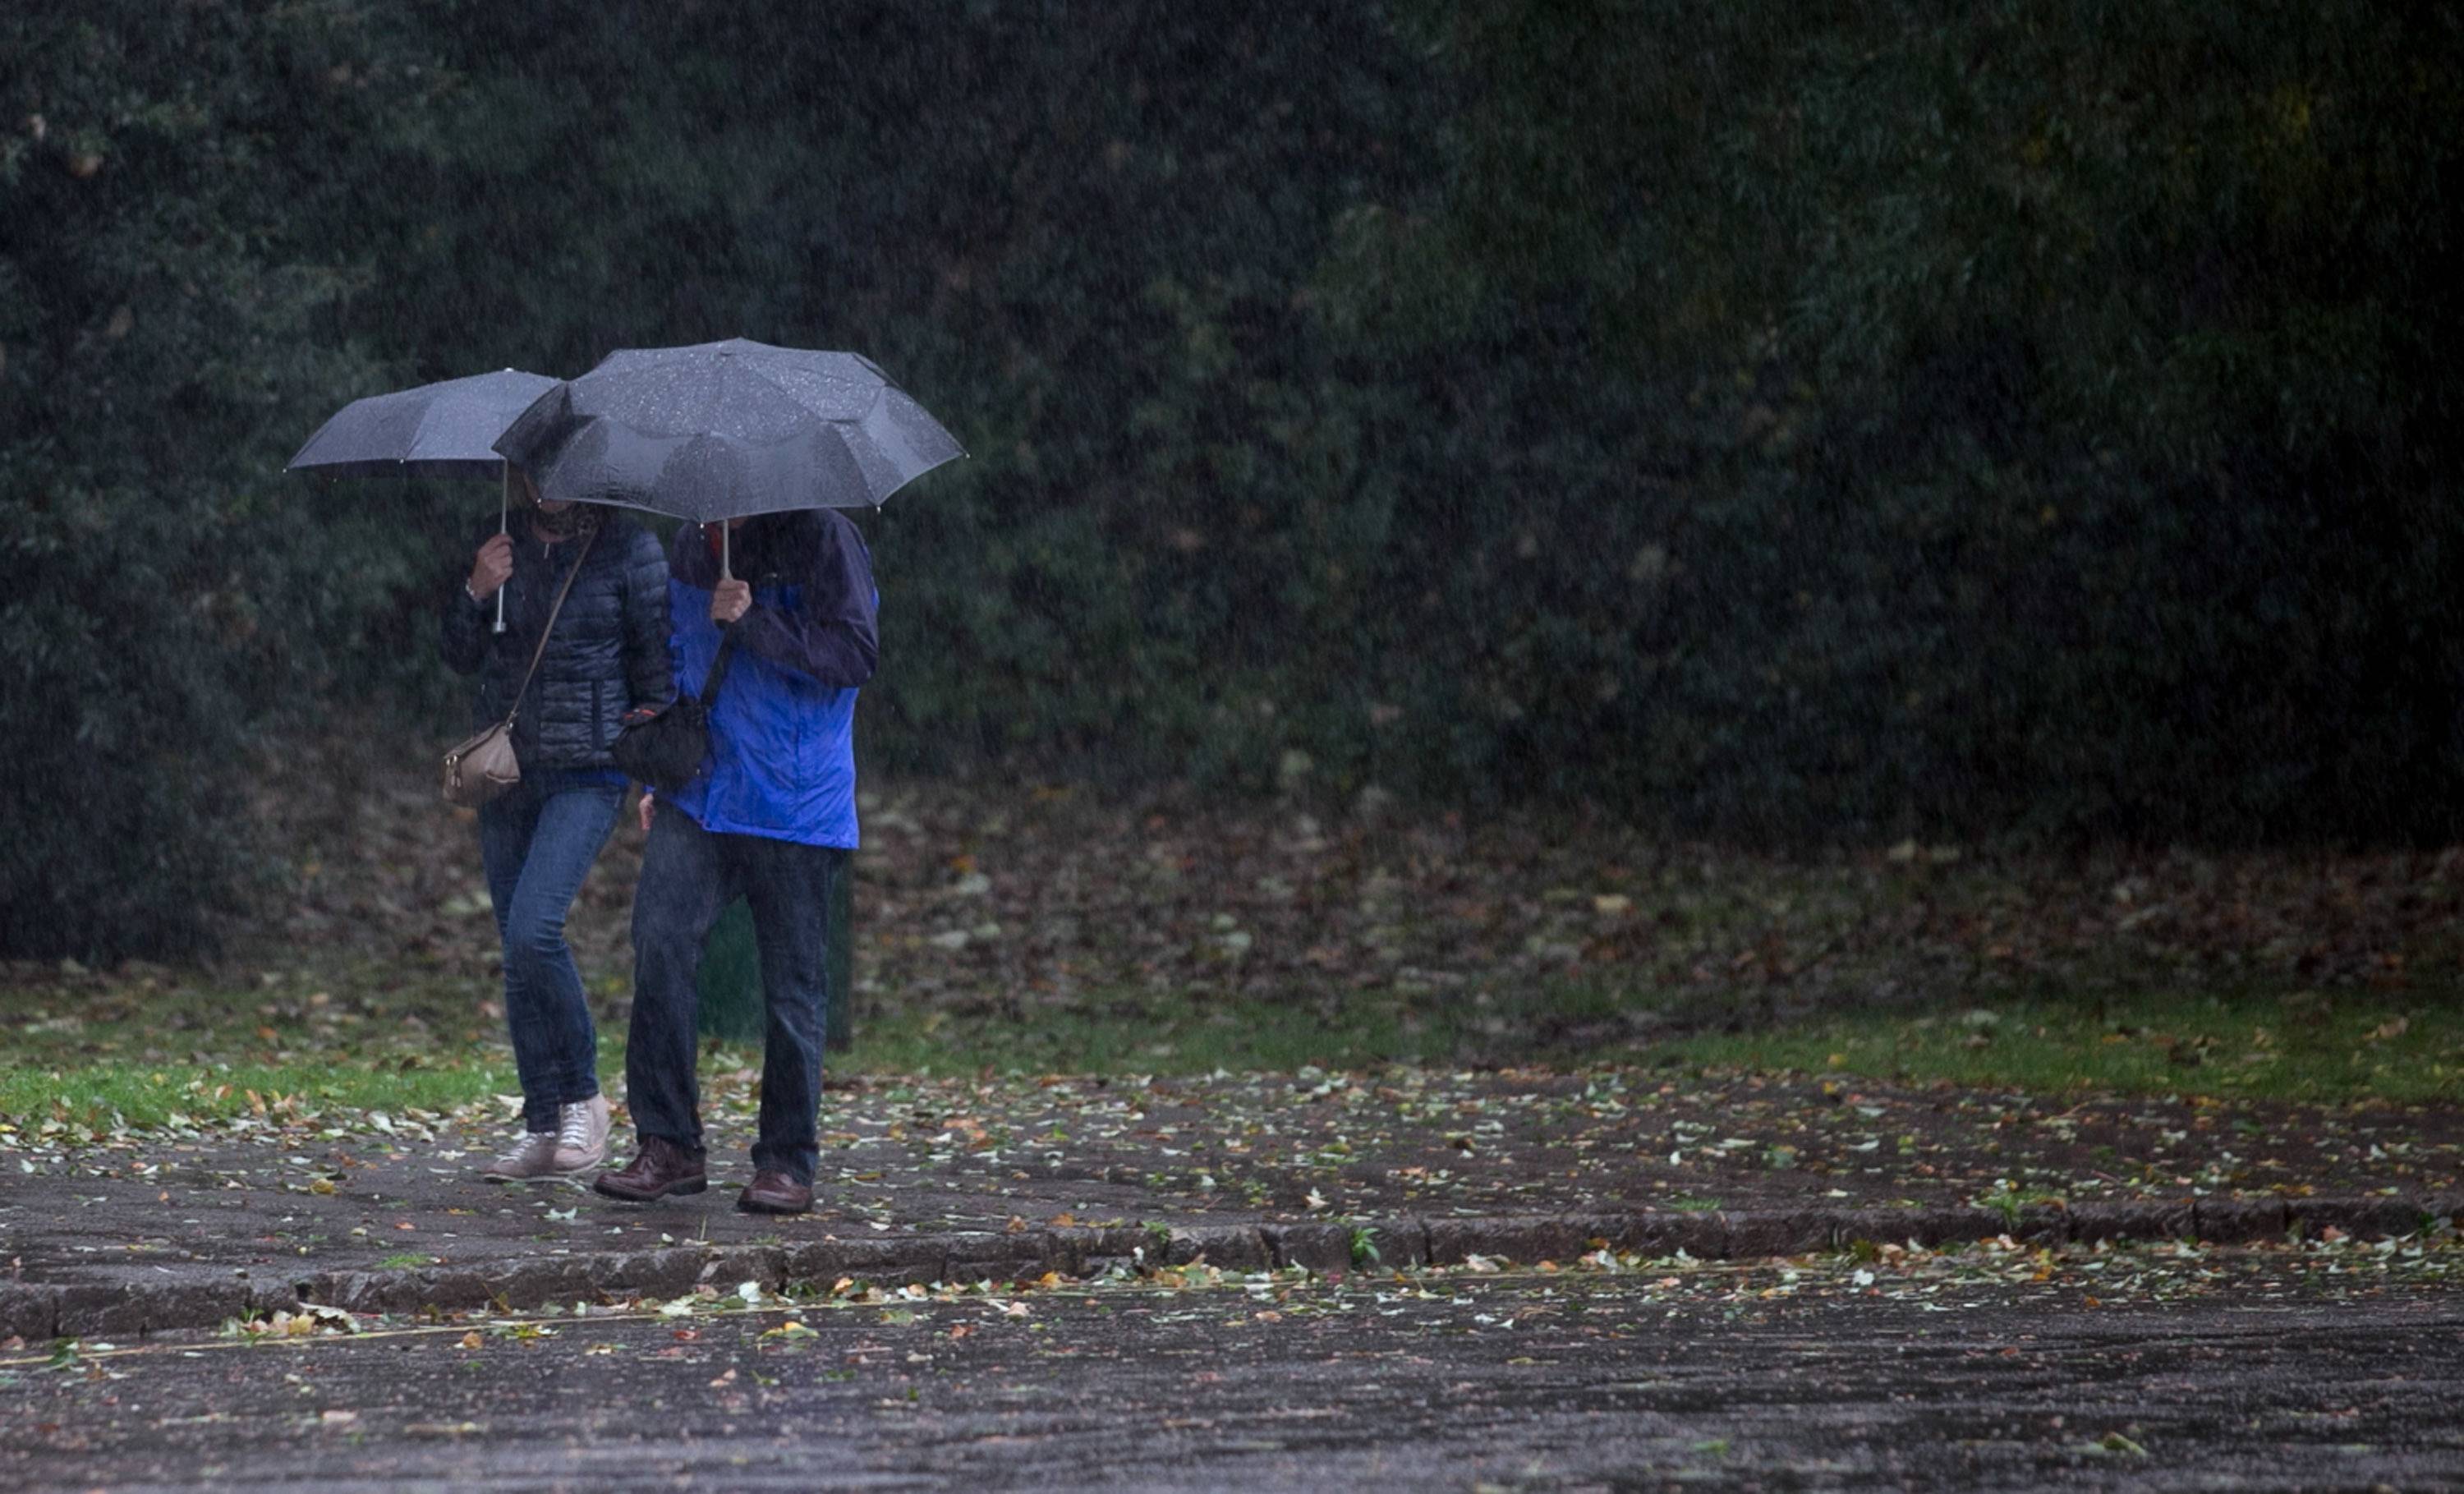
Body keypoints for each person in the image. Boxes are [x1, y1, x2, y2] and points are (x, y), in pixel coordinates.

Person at [595, 507, 876, 1215]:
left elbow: (854, 655)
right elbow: (680, 661)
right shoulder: (693, 541)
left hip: (793, 803)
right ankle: (668, 1143)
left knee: (791, 989)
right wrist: (662, 778)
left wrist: (755, 620)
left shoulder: (825, 537)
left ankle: (786, 1161)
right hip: (702, 795)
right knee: (659, 944)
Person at [442, 472, 671, 1182]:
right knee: (515, 948)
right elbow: (457, 654)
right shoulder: (497, 537)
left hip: (590, 767)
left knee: (536, 929)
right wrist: (477, 590)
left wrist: (656, 770)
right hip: (509, 768)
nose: (548, 486)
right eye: (535, 468)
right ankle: (544, 1123)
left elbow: (656, 668)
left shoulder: (629, 547)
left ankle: (584, 1099)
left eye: (563, 469)